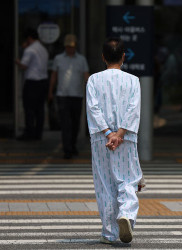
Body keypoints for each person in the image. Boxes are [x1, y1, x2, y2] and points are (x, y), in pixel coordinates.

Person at [86, 37, 143, 244]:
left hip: (101, 139)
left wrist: (108, 133)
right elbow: (133, 109)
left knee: (105, 184)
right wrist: (119, 134)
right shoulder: (133, 80)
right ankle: (126, 214)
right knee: (127, 179)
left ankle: (109, 233)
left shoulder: (93, 79)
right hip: (126, 138)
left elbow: (93, 108)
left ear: (103, 57)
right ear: (123, 56)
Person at [48, 34, 89, 159]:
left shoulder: (81, 59)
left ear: (75, 46)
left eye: (71, 47)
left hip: (77, 95)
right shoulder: (58, 58)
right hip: (63, 95)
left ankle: (72, 145)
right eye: (67, 47)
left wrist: (91, 91)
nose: (69, 49)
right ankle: (67, 149)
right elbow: (54, 75)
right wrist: (50, 91)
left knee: (75, 123)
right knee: (66, 124)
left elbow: (86, 76)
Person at [16, 28, 49, 141]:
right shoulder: (43, 49)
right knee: (40, 109)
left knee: (29, 108)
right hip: (43, 82)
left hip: (32, 83)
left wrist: (17, 61)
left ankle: (29, 132)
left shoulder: (29, 50)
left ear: (29, 38)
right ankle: (38, 133)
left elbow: (23, 66)